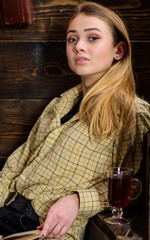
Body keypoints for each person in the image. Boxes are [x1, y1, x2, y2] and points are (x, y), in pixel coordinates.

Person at [0, 1, 150, 240]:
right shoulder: (59, 104)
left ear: (118, 51)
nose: (79, 46)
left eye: (92, 38)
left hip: (44, 228)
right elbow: (17, 163)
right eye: (72, 39)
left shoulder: (132, 112)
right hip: (6, 211)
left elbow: (134, 187)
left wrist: (78, 201)